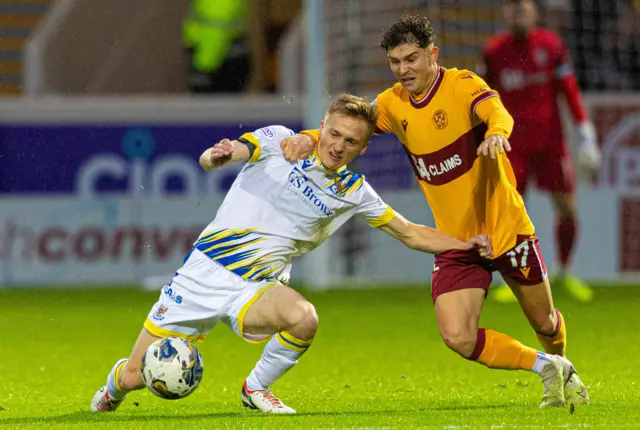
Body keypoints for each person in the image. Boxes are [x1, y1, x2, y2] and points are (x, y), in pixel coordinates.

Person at [90, 94, 496, 415]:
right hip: (202, 276)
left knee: (304, 319)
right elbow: (219, 157)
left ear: (363, 148)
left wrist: (465, 245)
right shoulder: (278, 141)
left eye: (351, 141)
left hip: (258, 286)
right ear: (321, 127)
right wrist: (215, 156)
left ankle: (255, 389)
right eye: (334, 133)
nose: (338, 145)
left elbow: (409, 233)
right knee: (133, 375)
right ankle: (113, 388)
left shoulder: (354, 192)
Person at [280, 15, 589, 408]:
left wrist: (496, 133)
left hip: (507, 229)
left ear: (433, 54)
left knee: (545, 322)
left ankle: (565, 370)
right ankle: (549, 368)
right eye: (395, 61)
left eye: (411, 59)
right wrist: (309, 139)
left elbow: (499, 113)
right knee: (457, 336)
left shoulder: (463, 86)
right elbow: (348, 127)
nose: (403, 69)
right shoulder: (392, 104)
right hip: (458, 241)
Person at [479, 0, 601, 303]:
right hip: (511, 145)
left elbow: (569, 90)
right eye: (512, 8)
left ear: (535, 12)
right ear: (504, 13)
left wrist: (585, 134)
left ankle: (563, 272)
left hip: (550, 144)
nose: (517, 13)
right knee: (511, 213)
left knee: (567, 208)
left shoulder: (552, 45)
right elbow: (482, 97)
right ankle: (515, 278)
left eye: (523, 8)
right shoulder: (493, 51)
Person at [182, 0, 250, 93]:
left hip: (218, 65)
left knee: (214, 105)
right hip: (225, 61)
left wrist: (203, 70)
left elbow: (215, 33)